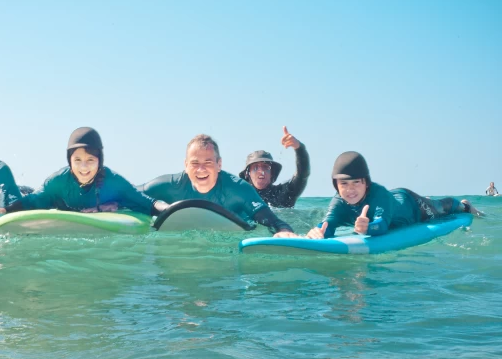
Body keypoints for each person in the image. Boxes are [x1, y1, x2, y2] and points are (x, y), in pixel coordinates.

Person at [139, 134, 297, 236]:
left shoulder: (239, 189)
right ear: (186, 165)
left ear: (219, 164)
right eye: (195, 163)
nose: (201, 169)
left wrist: (284, 231)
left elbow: (273, 221)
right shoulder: (171, 184)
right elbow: (132, 193)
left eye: (208, 162)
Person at [0, 127, 167, 216]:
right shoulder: (58, 181)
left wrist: (168, 209)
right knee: (28, 192)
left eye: (90, 160)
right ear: (69, 161)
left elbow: (146, 202)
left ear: (100, 161)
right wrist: (5, 210)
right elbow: (32, 201)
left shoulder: (113, 181)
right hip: (55, 202)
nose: (84, 167)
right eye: (77, 160)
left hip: (100, 206)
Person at [307, 151, 481, 239]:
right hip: (393, 201)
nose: (350, 190)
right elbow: (329, 223)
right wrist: (319, 231)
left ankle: (466, 205)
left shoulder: (379, 194)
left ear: (366, 182)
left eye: (356, 182)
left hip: (411, 205)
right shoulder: (338, 201)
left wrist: (367, 228)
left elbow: (382, 225)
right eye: (344, 184)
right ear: (336, 185)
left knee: (441, 208)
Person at [238, 126, 310, 207]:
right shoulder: (239, 197)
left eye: (265, 167)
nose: (261, 171)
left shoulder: (284, 194)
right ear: (248, 173)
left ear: (272, 173)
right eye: (255, 167)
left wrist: (299, 148)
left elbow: (302, 175)